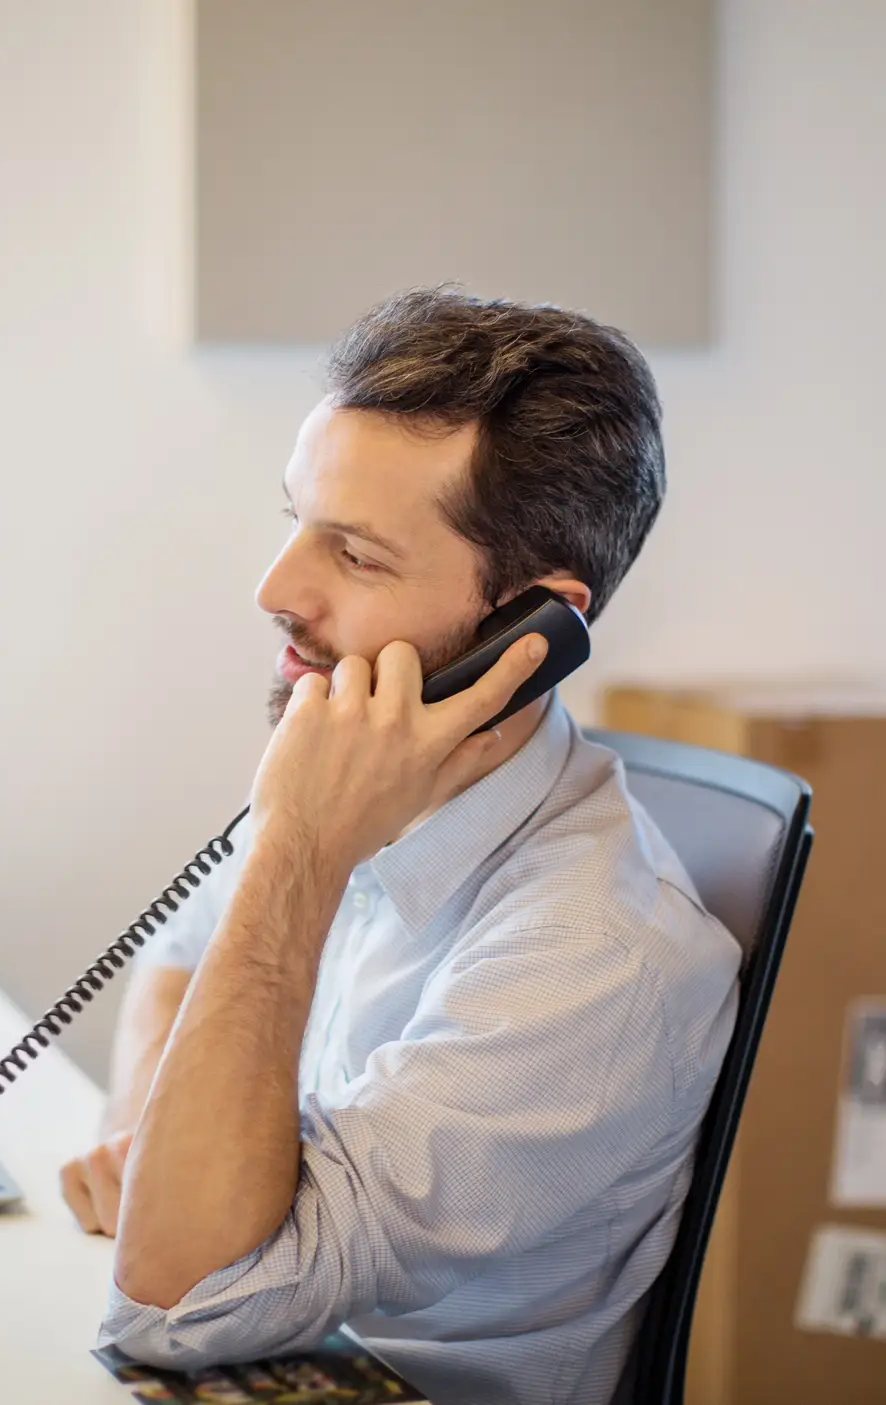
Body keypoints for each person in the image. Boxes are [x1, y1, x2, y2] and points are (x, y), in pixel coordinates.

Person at [62, 288, 740, 1405]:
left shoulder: (592, 960)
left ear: (526, 632)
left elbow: (179, 1297)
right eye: (295, 519)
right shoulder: (372, 781)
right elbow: (179, 959)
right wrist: (146, 1133)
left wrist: (297, 850)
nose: (275, 590)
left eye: (356, 555)